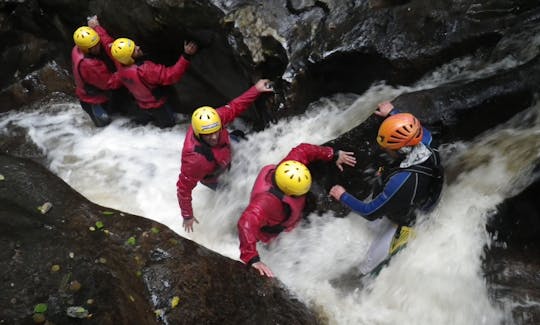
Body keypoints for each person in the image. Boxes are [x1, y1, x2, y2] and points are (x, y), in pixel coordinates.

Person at [329, 100, 444, 276]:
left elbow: (370, 213)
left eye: (388, 147)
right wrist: (392, 112)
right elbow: (413, 128)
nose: (383, 148)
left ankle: (370, 276)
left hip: (408, 218)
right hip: (421, 195)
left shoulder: (403, 182)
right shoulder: (427, 141)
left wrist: (342, 195)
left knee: (366, 267)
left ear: (403, 150)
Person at [237, 143, 357, 277]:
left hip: (288, 217)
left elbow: (304, 149)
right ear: (288, 193)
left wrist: (333, 154)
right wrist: (253, 259)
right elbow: (245, 223)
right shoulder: (265, 202)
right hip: (271, 235)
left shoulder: (289, 166)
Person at [177, 79, 274, 233]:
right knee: (233, 194)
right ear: (198, 133)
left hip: (226, 153)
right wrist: (187, 215)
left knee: (239, 136)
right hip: (214, 175)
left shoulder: (216, 119)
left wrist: (256, 89)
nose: (214, 137)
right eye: (208, 135)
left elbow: (236, 106)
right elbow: (183, 188)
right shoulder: (194, 160)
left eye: (216, 131)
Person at [110, 36, 198, 128]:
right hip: (159, 106)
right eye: (135, 50)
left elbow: (109, 47)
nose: (138, 47)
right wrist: (186, 56)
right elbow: (171, 75)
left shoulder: (119, 63)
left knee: (148, 122)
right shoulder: (146, 70)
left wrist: (99, 29)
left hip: (141, 104)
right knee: (169, 126)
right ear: (129, 58)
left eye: (135, 45)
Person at [71, 20, 123, 127]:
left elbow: (105, 43)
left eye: (97, 43)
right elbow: (110, 83)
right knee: (106, 128)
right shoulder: (90, 65)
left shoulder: (78, 48)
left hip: (88, 95)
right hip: (95, 102)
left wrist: (97, 28)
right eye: (94, 46)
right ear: (86, 49)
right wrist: (125, 72)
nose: (98, 46)